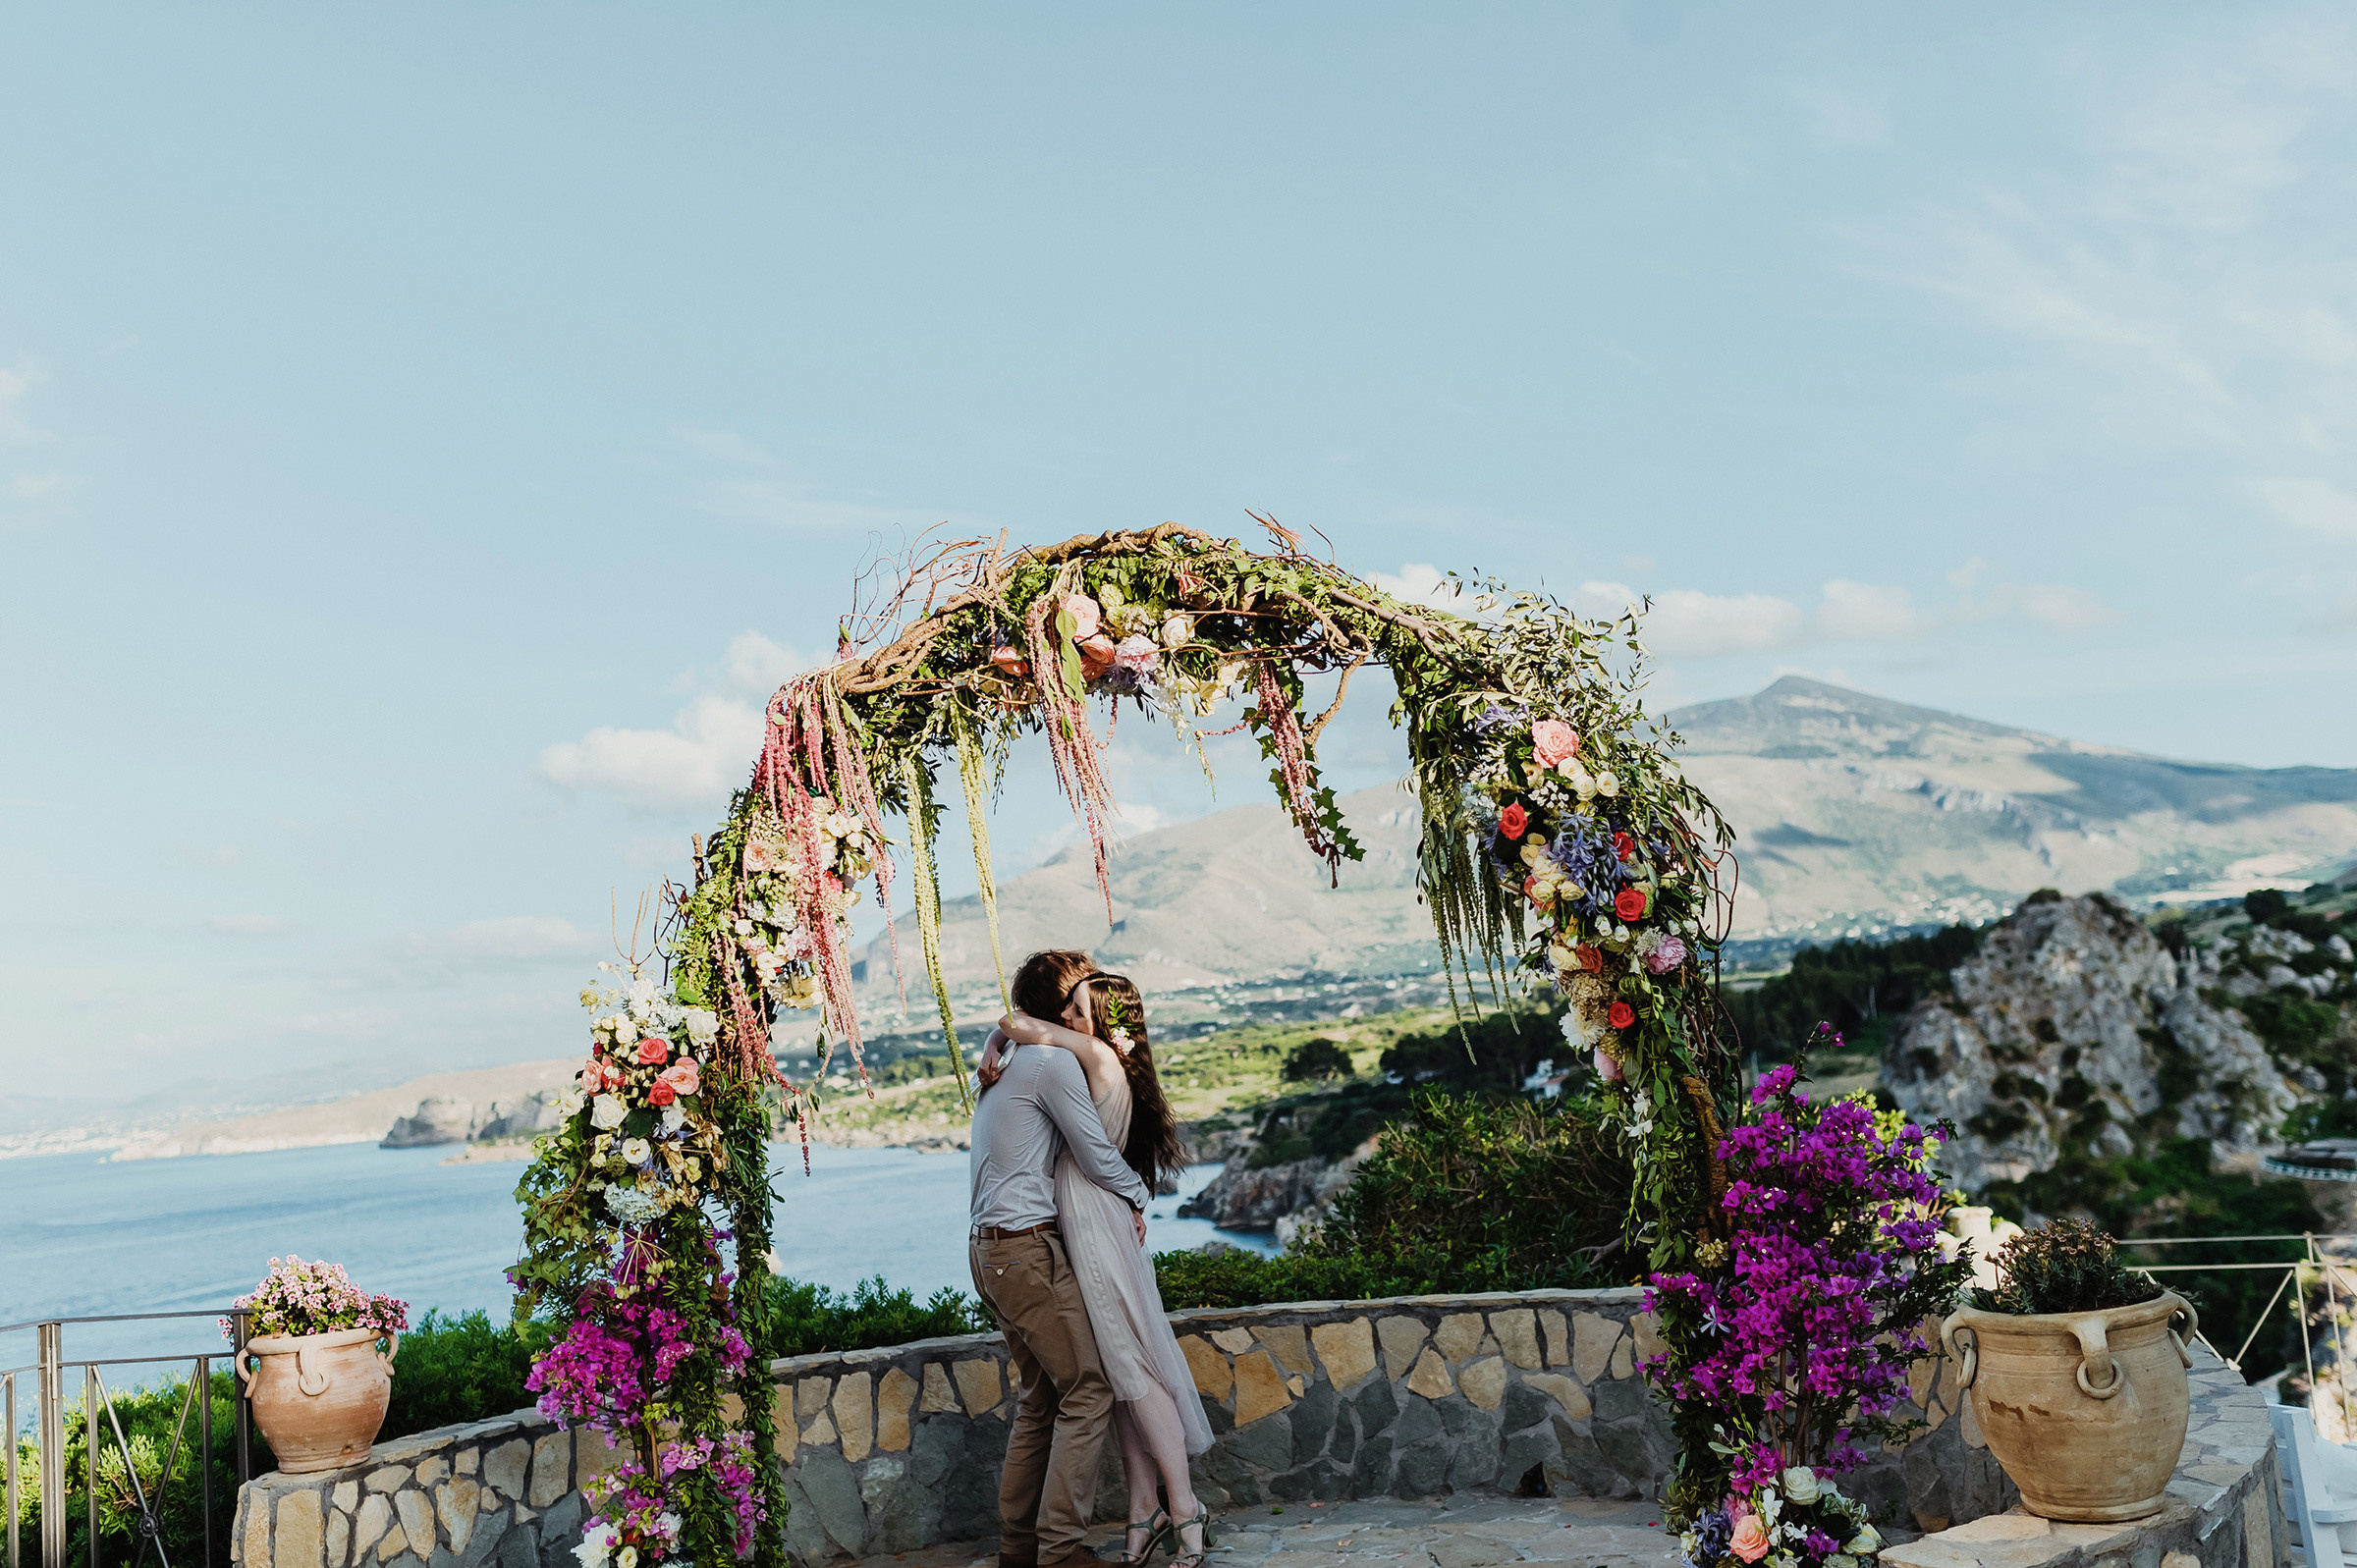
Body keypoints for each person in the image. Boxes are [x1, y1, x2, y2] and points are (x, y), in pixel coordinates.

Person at [977, 950, 1212, 1568]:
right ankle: (1070, 1546)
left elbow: (1018, 1025)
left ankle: (1156, 1511)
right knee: (1095, 1384)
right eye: (1069, 1005)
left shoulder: (1073, 1058)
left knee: (1101, 1379)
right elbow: (1095, 1154)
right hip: (1044, 1240)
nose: (1070, 1017)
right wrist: (1137, 1195)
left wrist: (998, 1038)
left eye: (1081, 1010)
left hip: (1038, 1238)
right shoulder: (1056, 1061)